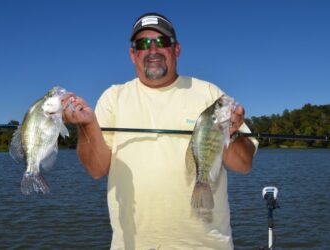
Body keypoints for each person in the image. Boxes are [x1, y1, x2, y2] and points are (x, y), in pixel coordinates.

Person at [62, 12, 258, 250]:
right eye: (143, 44)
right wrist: (85, 126)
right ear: (133, 55)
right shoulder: (113, 97)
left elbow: (244, 165)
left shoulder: (210, 94)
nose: (152, 49)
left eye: (162, 42)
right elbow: (96, 170)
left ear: (176, 50)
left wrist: (232, 132)